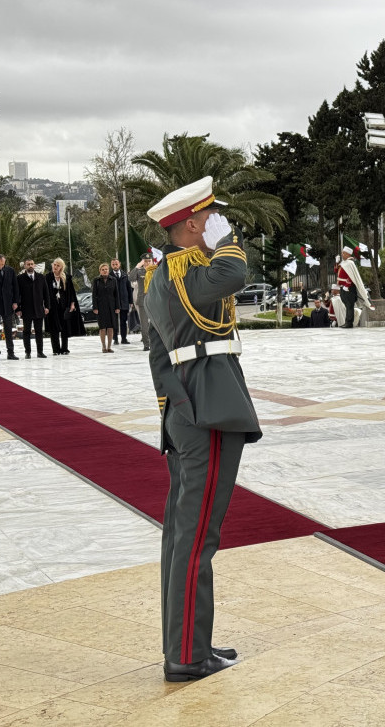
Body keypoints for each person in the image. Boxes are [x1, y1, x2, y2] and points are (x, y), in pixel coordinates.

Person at [144, 176, 261, 682]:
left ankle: (189, 643)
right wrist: (226, 241)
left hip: (188, 408)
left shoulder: (158, 278)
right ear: (193, 224)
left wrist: (171, 406)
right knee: (196, 538)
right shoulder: (189, 273)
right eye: (211, 218)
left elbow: (156, 356)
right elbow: (233, 275)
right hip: (207, 411)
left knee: (181, 535)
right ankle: (187, 657)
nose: (220, 224)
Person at [16, 258, 51, 358]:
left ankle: (40, 352)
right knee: (26, 332)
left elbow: (46, 293)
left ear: (34, 265)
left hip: (39, 309)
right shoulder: (20, 278)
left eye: (32, 264)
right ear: (25, 266)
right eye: (28, 264)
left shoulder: (41, 277)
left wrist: (47, 306)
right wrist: (18, 309)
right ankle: (28, 352)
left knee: (39, 331)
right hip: (26, 310)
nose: (30, 266)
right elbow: (17, 295)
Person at [45, 258, 77, 355]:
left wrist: (72, 304)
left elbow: (71, 292)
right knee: (54, 328)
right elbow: (44, 292)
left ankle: (64, 348)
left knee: (64, 328)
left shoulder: (66, 277)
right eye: (54, 264)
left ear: (61, 267)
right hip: (52, 306)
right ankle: (56, 349)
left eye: (58, 265)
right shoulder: (48, 277)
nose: (55, 267)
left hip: (64, 306)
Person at [336, 246, 372, 328]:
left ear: (348, 254)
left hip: (348, 288)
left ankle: (349, 323)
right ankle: (347, 322)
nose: (342, 254)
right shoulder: (344, 263)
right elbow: (336, 271)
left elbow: (351, 276)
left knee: (349, 306)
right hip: (343, 287)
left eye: (344, 253)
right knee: (347, 305)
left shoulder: (350, 263)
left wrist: (347, 285)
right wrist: (337, 262)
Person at [92, 263, 119, 353]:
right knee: (102, 327)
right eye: (103, 269)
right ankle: (103, 347)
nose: (105, 271)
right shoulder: (96, 280)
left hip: (111, 307)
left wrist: (117, 307)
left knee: (110, 327)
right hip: (100, 307)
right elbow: (94, 295)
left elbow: (116, 295)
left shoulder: (113, 280)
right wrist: (95, 307)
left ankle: (109, 347)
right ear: (100, 271)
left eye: (106, 269)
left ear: (108, 270)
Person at [130, 252, 154, 351]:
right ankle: (146, 344)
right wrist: (137, 267)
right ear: (142, 262)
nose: (147, 263)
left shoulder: (156, 271)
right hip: (143, 300)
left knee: (156, 324)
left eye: (149, 261)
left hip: (154, 301)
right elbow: (131, 278)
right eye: (145, 261)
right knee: (144, 324)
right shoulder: (139, 271)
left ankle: (156, 343)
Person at [110, 259, 134, 344]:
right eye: (113, 264)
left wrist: (131, 301)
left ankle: (124, 338)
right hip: (114, 303)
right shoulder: (110, 276)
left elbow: (129, 289)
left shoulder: (125, 275)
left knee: (123, 321)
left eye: (116, 264)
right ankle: (115, 338)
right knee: (114, 322)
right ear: (111, 265)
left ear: (119, 264)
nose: (115, 266)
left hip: (124, 301)